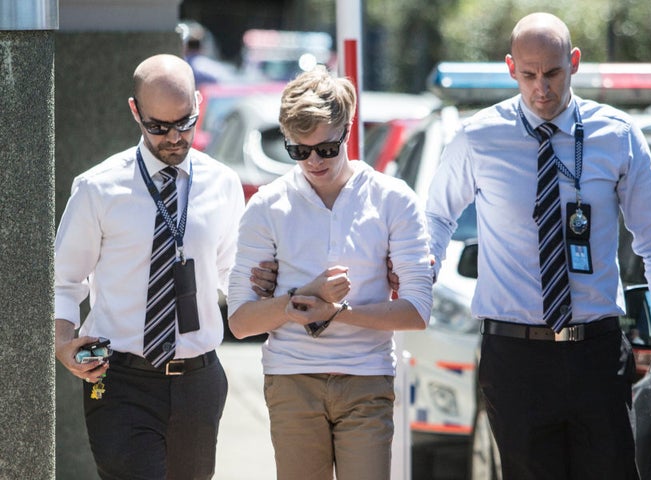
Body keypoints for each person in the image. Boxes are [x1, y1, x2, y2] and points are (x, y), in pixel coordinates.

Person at [424, 12, 651, 479]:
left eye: (552, 73)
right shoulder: (478, 137)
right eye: (528, 75)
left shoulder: (617, 135)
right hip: (515, 358)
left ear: (574, 63)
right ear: (511, 69)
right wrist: (417, 276)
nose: (541, 88)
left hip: (596, 354)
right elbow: (436, 217)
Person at [54, 54, 276, 480]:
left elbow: (236, 276)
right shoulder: (98, 188)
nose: (174, 137)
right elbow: (64, 280)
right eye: (158, 127)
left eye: (184, 122)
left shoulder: (224, 183)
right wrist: (64, 342)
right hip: (119, 381)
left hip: (199, 382)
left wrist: (276, 284)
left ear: (197, 103)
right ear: (135, 111)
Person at [226, 66, 433, 480]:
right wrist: (298, 301)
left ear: (348, 130)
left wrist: (336, 312)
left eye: (326, 148)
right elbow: (240, 321)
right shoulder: (267, 206)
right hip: (291, 377)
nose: (314, 161)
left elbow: (417, 311)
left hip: (367, 375)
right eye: (299, 152)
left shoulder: (392, 199)